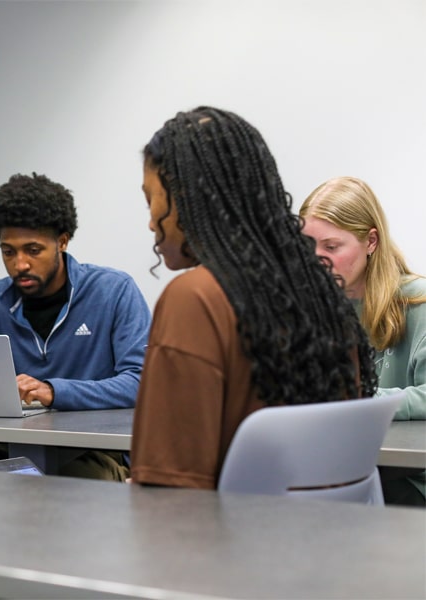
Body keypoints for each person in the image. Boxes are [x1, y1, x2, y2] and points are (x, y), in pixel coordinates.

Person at [130, 107, 377, 489]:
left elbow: (169, 492)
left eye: (152, 201)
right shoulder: (322, 293)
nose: (150, 222)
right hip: (321, 525)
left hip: (226, 527)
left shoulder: (195, 299)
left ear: (187, 198)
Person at [0, 172, 152, 480]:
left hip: (96, 450)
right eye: (8, 252)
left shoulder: (113, 290)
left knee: (51, 485)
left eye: (33, 250)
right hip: (16, 447)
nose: (20, 264)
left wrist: (54, 391)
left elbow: (140, 382)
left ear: (62, 241)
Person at [300, 176, 426, 506]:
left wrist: (362, 397)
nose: (316, 260)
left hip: (410, 478)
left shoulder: (419, 303)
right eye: (307, 246)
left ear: (371, 241)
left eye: (331, 247)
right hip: (351, 464)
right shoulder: (315, 308)